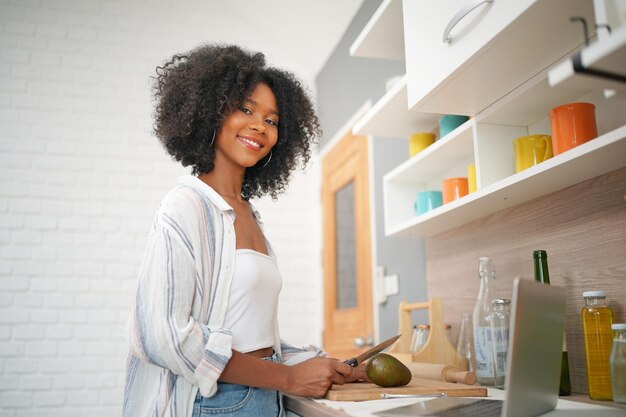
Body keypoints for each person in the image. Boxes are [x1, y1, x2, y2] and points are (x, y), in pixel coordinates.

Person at [123, 44, 368, 417]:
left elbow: (253, 337)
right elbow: (164, 335)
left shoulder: (248, 215)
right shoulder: (186, 206)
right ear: (210, 111)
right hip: (217, 402)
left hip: (264, 397)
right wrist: (287, 379)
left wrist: (326, 364)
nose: (260, 126)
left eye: (272, 120)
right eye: (246, 109)